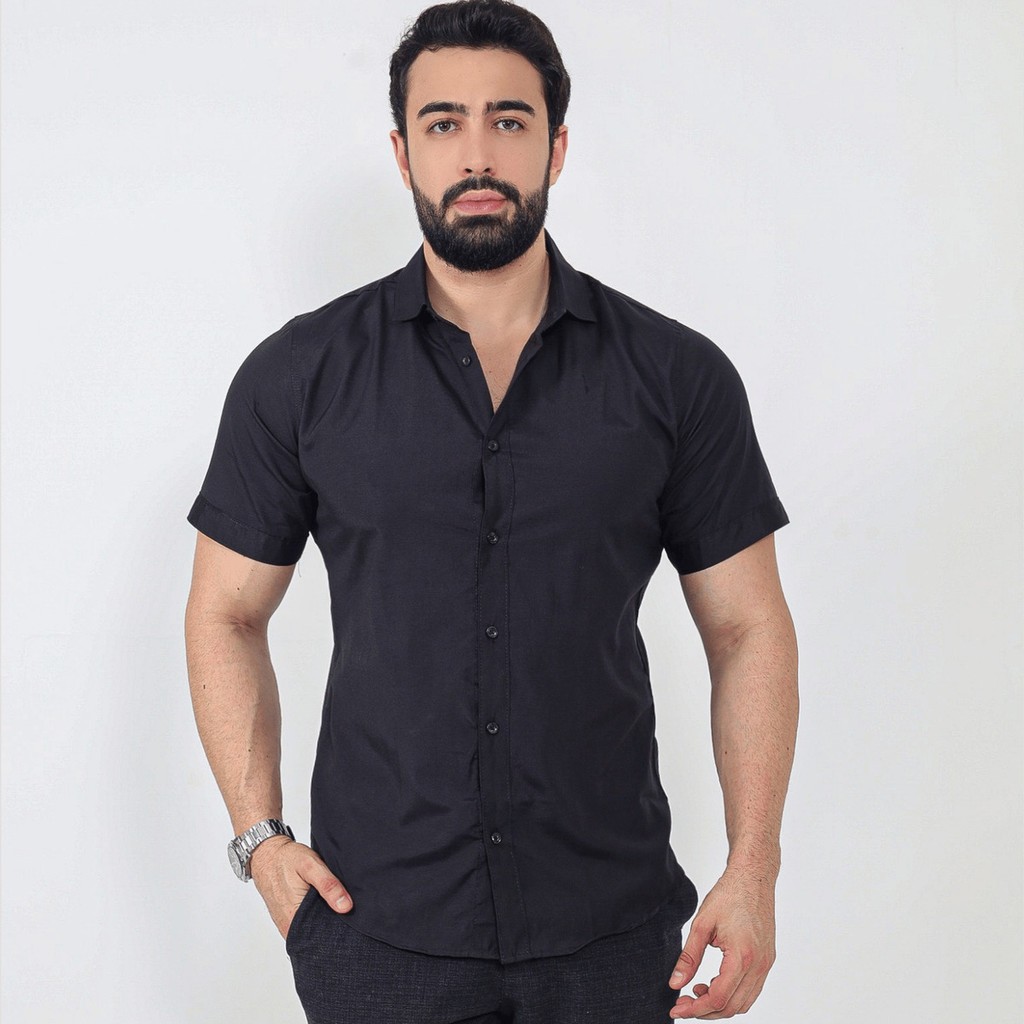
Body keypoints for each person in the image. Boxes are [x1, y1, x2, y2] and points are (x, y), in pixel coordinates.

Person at [183, 1, 799, 1020]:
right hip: (376, 936)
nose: (477, 154)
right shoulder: (299, 376)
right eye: (443, 123)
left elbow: (746, 627)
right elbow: (225, 611)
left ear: (557, 146)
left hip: (612, 939)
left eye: (509, 121)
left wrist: (754, 867)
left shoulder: (675, 377)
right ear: (403, 152)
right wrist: (262, 841)